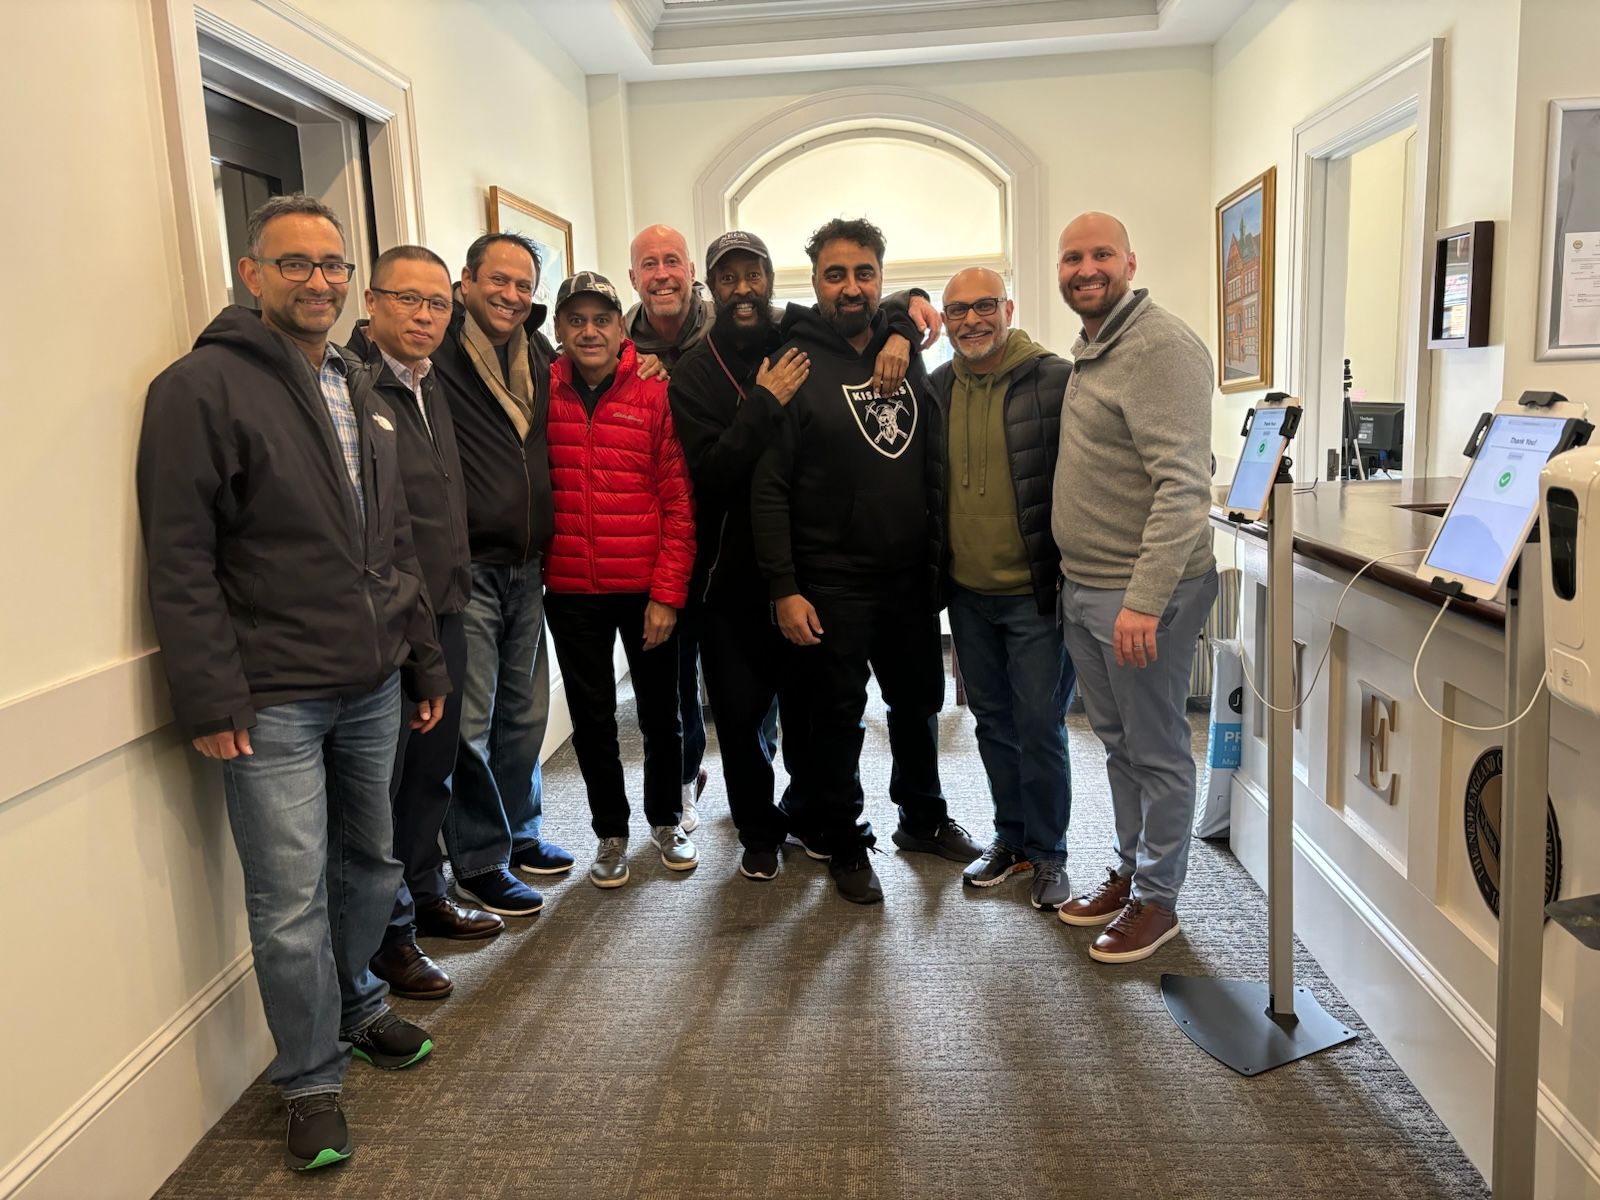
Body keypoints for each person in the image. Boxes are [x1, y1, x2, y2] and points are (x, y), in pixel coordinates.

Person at [137, 194, 447, 1171]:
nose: (320, 281)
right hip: (271, 694)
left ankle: (357, 1002)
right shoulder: (198, 389)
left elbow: (391, 539)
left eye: (333, 265)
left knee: (374, 868)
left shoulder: (358, 382)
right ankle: (311, 1077)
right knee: (288, 902)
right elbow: (179, 555)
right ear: (252, 273)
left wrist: (422, 655)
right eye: (296, 264)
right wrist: (209, 694)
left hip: (372, 682)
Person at [752, 217, 982, 904]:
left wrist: (904, 327)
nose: (850, 287)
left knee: (918, 704)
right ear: (815, 281)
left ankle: (922, 819)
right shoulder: (793, 361)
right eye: (834, 274)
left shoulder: (903, 346)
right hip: (830, 580)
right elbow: (769, 488)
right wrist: (784, 587)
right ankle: (845, 838)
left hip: (909, 576)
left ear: (879, 279)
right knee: (836, 719)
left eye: (863, 274)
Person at [1050, 212, 1219, 963]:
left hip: (1142, 595)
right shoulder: (1095, 349)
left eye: (1101, 255)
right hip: (1086, 587)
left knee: (1156, 751)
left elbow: (1185, 487)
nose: (1086, 269)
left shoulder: (1160, 347)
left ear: (1130, 261)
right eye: (1073, 257)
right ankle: (1129, 871)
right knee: (1116, 744)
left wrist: (1145, 599)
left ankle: (1159, 902)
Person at [347, 246, 506, 1003]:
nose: (423, 315)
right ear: (371, 302)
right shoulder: (350, 387)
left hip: (446, 607)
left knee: (433, 772)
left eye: (437, 303)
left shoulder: (428, 381)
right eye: (407, 300)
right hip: (391, 622)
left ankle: (427, 891)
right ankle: (390, 936)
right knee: (391, 784)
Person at [431, 232, 573, 919]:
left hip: (528, 566)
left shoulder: (539, 354)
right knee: (473, 721)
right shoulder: (437, 355)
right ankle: (480, 859)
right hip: (471, 568)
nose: (513, 296)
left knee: (525, 715)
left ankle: (521, 834)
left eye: (524, 285)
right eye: (499, 281)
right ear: (466, 281)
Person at [928, 268, 1077, 912]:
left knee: (1040, 725)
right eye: (956, 310)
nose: (971, 320)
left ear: (1008, 307)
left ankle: (1049, 852)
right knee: (993, 724)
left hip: (1036, 593)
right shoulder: (934, 388)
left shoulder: (1055, 379)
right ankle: (1011, 838)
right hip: (967, 594)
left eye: (984, 306)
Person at [542, 271, 698, 888]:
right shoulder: (538, 390)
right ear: (559, 330)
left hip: (644, 588)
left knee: (662, 716)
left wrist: (667, 593)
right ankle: (610, 831)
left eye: (601, 319)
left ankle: (667, 818)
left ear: (618, 327)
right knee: (593, 718)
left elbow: (679, 501)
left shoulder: (654, 393)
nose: (589, 331)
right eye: (575, 320)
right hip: (572, 590)